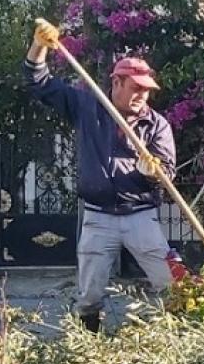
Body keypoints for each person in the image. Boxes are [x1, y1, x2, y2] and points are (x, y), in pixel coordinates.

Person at [23, 22, 177, 333]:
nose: (142, 96)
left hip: (140, 216)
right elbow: (38, 82)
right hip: (98, 218)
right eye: (136, 88)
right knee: (89, 295)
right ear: (117, 83)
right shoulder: (87, 105)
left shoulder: (156, 125)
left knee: (170, 283)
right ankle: (89, 349)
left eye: (146, 91)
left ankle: (178, 340)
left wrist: (153, 171)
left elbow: (168, 173)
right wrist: (39, 47)